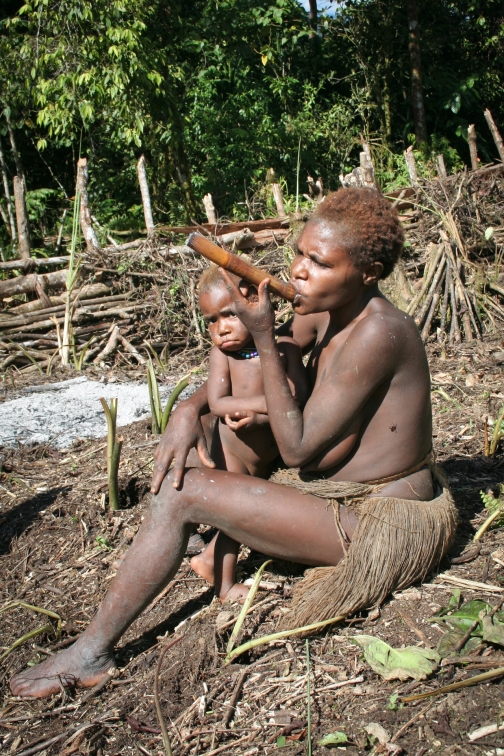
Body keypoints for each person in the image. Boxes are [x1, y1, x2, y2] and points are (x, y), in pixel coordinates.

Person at [10, 187, 457, 699]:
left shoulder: (379, 332)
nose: (301, 270)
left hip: (379, 519)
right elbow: (248, 371)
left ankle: (90, 652)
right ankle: (204, 550)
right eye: (300, 253)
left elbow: (297, 448)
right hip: (340, 495)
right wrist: (186, 408)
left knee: (179, 492)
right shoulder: (323, 308)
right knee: (216, 436)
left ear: (367, 274)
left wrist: (264, 335)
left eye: (321, 262)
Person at [190, 263, 309, 601]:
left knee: (242, 517)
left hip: (269, 456)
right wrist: (269, 405)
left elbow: (298, 397)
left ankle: (207, 560)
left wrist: (260, 415)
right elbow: (217, 402)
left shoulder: (285, 348)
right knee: (233, 519)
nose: (221, 329)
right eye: (211, 321)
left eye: (228, 315)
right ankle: (224, 585)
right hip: (232, 451)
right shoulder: (221, 357)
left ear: (254, 304)